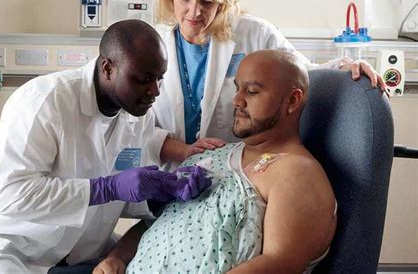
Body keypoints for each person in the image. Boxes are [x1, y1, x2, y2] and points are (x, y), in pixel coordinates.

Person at [0, 20, 211, 273]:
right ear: (107, 68)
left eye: (160, 79)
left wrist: (161, 191)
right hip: (1, 241)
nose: (155, 91)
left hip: (72, 250)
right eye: (143, 80)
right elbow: (11, 194)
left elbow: (117, 196)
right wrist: (107, 187)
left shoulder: (138, 117)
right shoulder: (45, 101)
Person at [94, 50, 337, 273]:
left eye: (251, 92)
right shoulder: (211, 154)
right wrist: (116, 257)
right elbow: (157, 222)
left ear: (293, 101)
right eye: (237, 88)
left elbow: (280, 263)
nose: (237, 101)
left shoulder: (295, 173)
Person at [151, 0, 386, 157]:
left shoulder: (253, 33)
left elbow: (302, 73)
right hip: (169, 171)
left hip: (233, 172)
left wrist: (344, 68)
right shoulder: (153, 43)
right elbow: (137, 126)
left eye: (206, 2)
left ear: (221, 3)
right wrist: (184, 152)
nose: (195, 12)